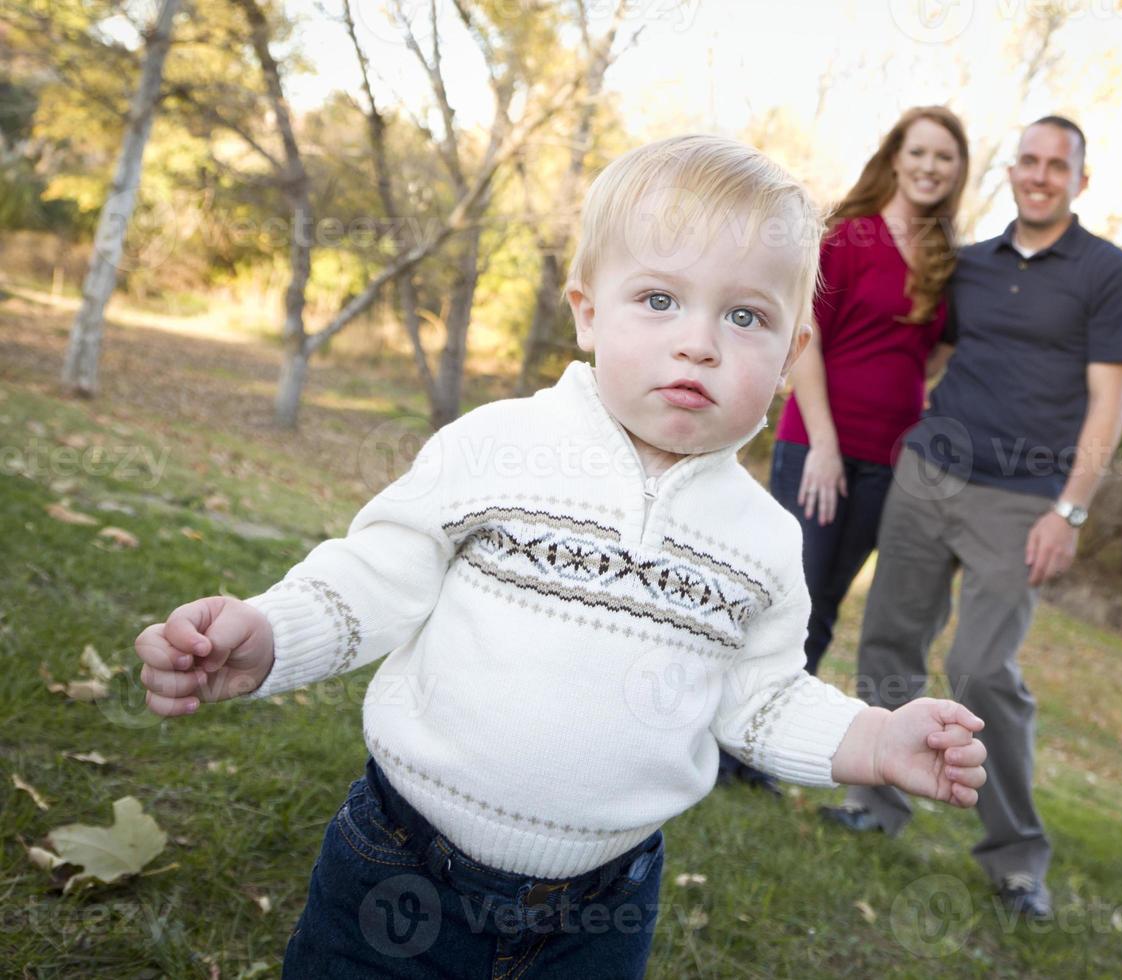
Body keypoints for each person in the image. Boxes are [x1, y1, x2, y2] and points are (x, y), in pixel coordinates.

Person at [133, 135, 993, 978]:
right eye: (658, 299)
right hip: (398, 866)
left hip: (599, 910)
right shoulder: (500, 446)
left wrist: (874, 739)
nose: (699, 341)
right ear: (587, 309)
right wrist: (270, 632)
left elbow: (758, 695)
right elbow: (373, 577)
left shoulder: (763, 540)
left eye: (745, 316)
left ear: (790, 356)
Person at [822, 116, 1122, 923]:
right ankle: (878, 800)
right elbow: (928, 354)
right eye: (1028, 161)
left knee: (980, 670)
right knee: (890, 640)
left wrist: (1069, 511)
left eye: (1057, 165)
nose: (1040, 175)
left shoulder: (1111, 275)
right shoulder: (966, 266)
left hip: (1023, 500)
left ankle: (1015, 860)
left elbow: (1110, 403)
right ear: (1011, 171)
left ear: (1081, 178)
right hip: (930, 472)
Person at [717, 106, 969, 797]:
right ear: (895, 157)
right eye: (918, 152)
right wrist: (824, 445)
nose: (929, 166)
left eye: (943, 157)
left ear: (956, 172)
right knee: (782, 597)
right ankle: (715, 734)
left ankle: (759, 748)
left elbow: (935, 350)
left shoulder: (944, 259)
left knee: (823, 606)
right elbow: (808, 339)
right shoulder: (847, 238)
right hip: (818, 445)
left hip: (889, 462)